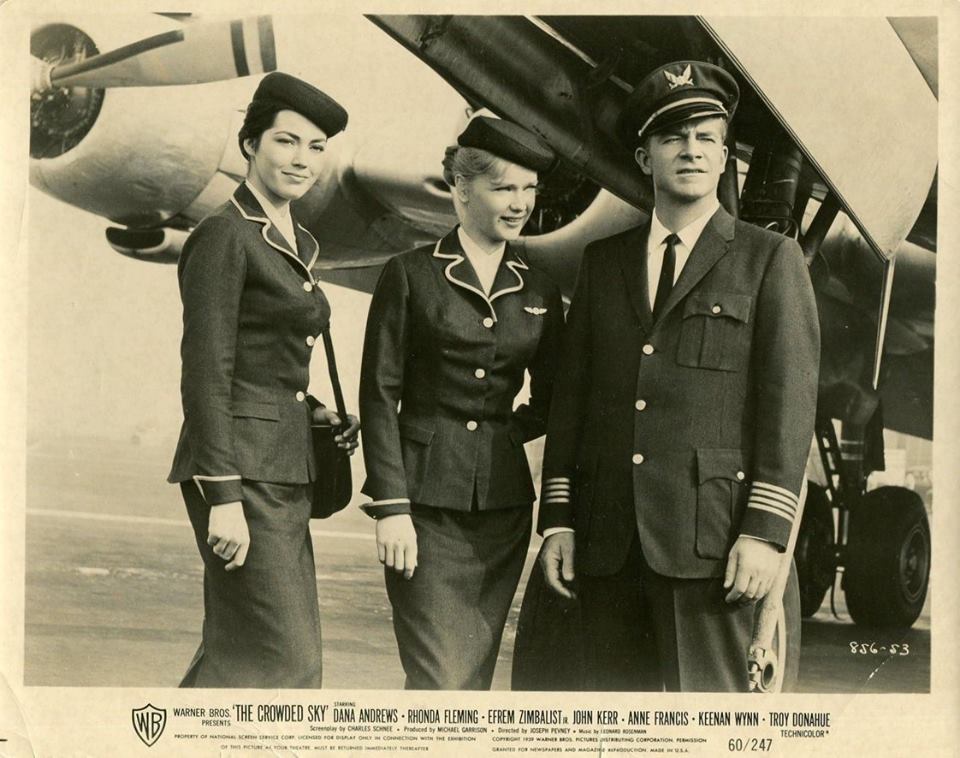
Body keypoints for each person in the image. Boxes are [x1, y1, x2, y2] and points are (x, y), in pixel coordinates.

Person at [537, 61, 820, 692]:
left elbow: (789, 407)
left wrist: (766, 534)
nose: (690, 149)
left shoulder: (770, 260)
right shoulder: (602, 263)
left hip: (711, 548)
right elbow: (571, 403)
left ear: (725, 158)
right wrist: (558, 519)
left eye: (705, 137)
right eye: (672, 136)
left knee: (709, 725)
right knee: (615, 729)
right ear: (644, 157)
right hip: (609, 546)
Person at [167, 72, 359, 688]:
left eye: (316, 147)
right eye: (286, 141)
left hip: (283, 467)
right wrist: (222, 497)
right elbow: (205, 372)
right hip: (240, 476)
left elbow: (271, 363)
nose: (303, 160)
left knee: (242, 656)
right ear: (249, 144)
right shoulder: (225, 236)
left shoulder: (297, 237)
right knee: (286, 661)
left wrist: (317, 414)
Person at [359, 116, 563, 689]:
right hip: (422, 507)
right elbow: (378, 394)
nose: (519, 203)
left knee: (469, 681)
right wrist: (390, 506)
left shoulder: (539, 287)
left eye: (529, 189)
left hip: (500, 513)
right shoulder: (411, 274)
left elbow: (551, 399)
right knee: (439, 679)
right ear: (461, 189)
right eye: (503, 188)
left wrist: (499, 438)